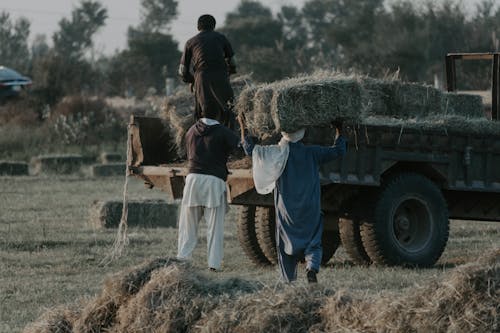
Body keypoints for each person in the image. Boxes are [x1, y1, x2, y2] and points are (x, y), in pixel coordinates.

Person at [239, 115, 347, 283]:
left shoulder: (277, 153)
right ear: (302, 135)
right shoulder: (313, 152)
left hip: (286, 208)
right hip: (310, 206)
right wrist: (339, 129)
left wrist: (243, 124)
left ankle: (289, 279)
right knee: (314, 241)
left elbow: (249, 149)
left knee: (284, 244)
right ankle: (312, 268)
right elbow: (339, 150)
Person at [176, 108, 240, 272]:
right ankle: (214, 264)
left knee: (188, 227)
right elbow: (240, 148)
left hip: (193, 180)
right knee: (214, 227)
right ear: (219, 115)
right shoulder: (224, 132)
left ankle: (183, 260)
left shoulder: (190, 131)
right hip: (214, 181)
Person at [178, 14, 237, 128]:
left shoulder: (190, 42)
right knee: (229, 109)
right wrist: (229, 73)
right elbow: (233, 61)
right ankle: (228, 138)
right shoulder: (221, 38)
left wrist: (192, 80)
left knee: (204, 113)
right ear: (214, 26)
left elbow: (182, 71)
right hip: (221, 75)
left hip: (202, 77)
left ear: (198, 27)